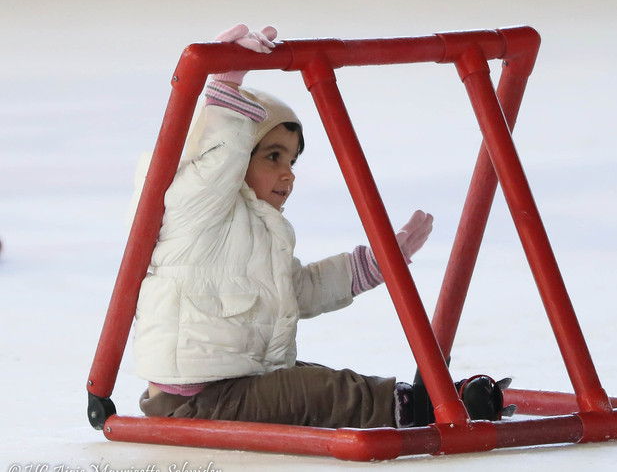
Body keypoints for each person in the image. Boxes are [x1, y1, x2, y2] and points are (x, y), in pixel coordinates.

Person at [133, 24, 507, 429]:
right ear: (240, 158)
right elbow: (217, 161)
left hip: (235, 382)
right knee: (324, 391)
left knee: (324, 382)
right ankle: (419, 408)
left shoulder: (262, 232)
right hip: (193, 397)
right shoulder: (196, 211)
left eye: (292, 161)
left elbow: (299, 290)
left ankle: (423, 399)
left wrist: (373, 264)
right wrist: (227, 85)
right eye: (273, 157)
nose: (288, 173)